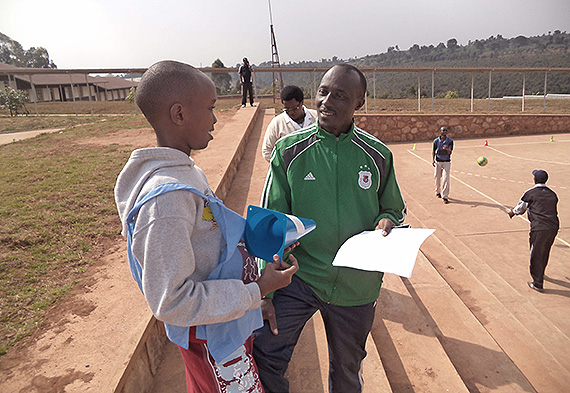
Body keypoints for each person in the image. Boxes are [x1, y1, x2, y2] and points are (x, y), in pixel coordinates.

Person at [114, 60, 298, 392]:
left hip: (224, 324)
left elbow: (209, 234)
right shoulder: (166, 201)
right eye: (211, 108)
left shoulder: (186, 172)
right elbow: (171, 301)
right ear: (179, 115)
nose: (215, 118)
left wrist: (265, 242)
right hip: (211, 342)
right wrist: (258, 290)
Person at [253, 64, 406, 392]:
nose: (326, 101)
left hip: (356, 284)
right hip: (300, 277)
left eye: (340, 95)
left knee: (347, 372)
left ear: (359, 103)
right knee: (266, 352)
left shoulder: (378, 155)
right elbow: (271, 221)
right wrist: (266, 288)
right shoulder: (289, 151)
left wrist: (388, 220)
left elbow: (394, 207)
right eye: (323, 92)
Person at [508, 169, 559, 293]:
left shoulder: (530, 193)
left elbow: (521, 208)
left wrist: (512, 212)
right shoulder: (552, 194)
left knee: (535, 253)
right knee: (545, 250)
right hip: (553, 226)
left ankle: (537, 283)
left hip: (539, 227)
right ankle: (541, 272)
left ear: (535, 179)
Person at [261, 85, 317, 161]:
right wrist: (283, 166)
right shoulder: (277, 123)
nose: (291, 112)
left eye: (294, 109)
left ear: (302, 103)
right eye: (287, 109)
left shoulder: (317, 118)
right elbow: (266, 150)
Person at [432, 126, 453, 204]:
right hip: (438, 161)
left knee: (446, 178)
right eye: (442, 130)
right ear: (440, 131)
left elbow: (450, 152)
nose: (444, 132)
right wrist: (433, 160)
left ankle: (445, 196)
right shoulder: (436, 141)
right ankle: (438, 191)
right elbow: (433, 150)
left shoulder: (450, 141)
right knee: (437, 177)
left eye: (445, 130)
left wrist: (447, 149)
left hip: (446, 162)